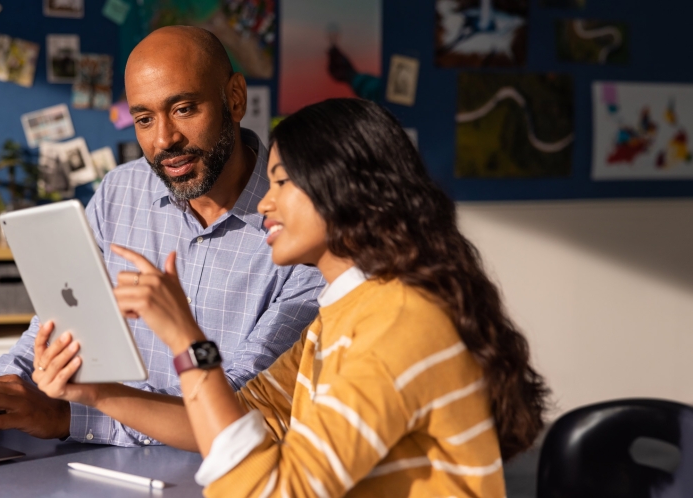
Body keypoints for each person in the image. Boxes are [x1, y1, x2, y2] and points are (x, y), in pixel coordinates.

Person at [31, 98, 550, 496]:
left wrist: (187, 338)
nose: (265, 205)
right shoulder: (341, 315)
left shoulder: (399, 325)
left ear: (343, 188)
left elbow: (277, 491)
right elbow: (238, 418)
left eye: (281, 182)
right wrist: (96, 394)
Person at [0, 26, 324, 446]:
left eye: (184, 109)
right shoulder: (121, 190)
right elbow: (56, 328)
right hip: (94, 457)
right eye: (144, 118)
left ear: (235, 98)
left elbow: (235, 406)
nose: (164, 139)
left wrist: (68, 417)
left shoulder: (303, 229)